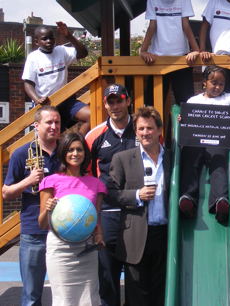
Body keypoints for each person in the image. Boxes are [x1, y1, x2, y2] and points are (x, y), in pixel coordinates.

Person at [108, 106, 171, 306]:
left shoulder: (172, 158)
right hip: (136, 235)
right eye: (141, 129)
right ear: (135, 131)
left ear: (160, 130)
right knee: (137, 294)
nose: (145, 133)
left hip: (165, 235)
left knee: (161, 291)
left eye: (150, 128)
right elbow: (111, 193)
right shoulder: (123, 159)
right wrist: (137, 195)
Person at [37, 132, 106, 306]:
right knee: (64, 300)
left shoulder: (95, 184)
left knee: (89, 299)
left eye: (79, 150)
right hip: (60, 250)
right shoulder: (50, 181)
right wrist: (47, 210)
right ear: (63, 153)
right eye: (70, 150)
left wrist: (99, 235)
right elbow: (42, 223)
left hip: (87, 248)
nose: (75, 154)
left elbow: (96, 218)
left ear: (85, 153)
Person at [179, 66, 230, 224]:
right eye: (214, 83)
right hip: (197, 142)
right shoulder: (195, 100)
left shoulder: (229, 98)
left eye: (221, 84)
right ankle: (188, 198)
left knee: (219, 162)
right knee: (189, 158)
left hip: (218, 142)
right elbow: (186, 118)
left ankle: (220, 200)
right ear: (204, 83)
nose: (218, 87)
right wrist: (183, 119)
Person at [2, 105, 61, 306]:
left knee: (64, 292)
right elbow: (6, 193)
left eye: (57, 122)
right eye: (49, 122)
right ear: (37, 126)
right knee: (31, 295)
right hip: (33, 232)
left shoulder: (67, 151)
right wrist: (29, 181)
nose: (54, 126)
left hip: (64, 229)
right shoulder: (21, 154)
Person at [85, 84, 137, 306]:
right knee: (107, 279)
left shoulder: (144, 130)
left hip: (138, 213)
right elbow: (86, 177)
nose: (115, 105)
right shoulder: (94, 136)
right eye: (110, 101)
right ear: (105, 104)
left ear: (128, 101)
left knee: (137, 280)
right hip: (107, 213)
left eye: (119, 100)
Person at [139, 0, 200, 104]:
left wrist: (196, 50)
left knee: (185, 102)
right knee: (153, 103)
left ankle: (181, 126)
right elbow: (152, 26)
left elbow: (186, 25)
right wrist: (143, 50)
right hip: (157, 58)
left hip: (182, 58)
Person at [22, 21, 90, 135]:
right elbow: (28, 84)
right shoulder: (33, 58)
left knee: (91, 115)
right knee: (52, 136)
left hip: (66, 100)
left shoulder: (61, 51)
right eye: (45, 39)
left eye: (51, 38)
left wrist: (69, 35)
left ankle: (76, 144)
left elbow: (83, 53)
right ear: (37, 41)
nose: (49, 41)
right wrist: (37, 99)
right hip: (46, 104)